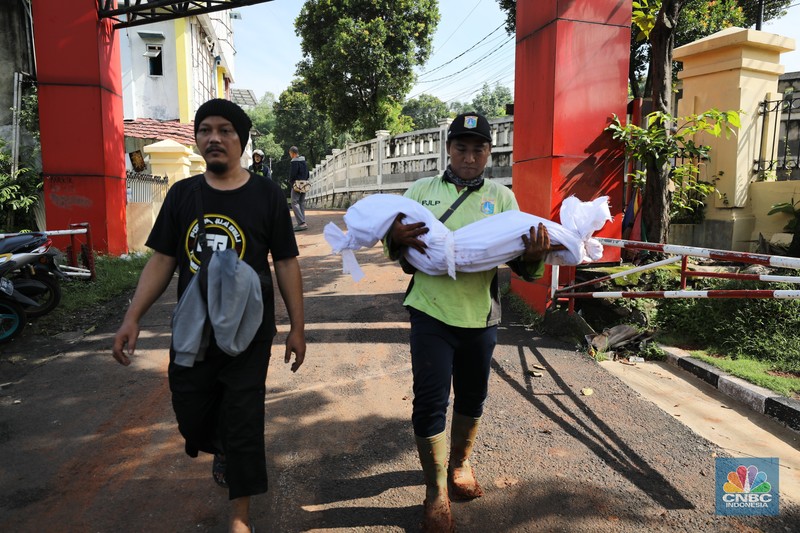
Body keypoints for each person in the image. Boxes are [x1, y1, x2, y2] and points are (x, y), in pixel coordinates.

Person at [111, 98, 306, 533]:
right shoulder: (183, 194)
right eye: (205, 130)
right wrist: (132, 318)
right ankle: (219, 444)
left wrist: (297, 327)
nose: (214, 138)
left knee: (243, 416)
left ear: (241, 140)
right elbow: (163, 259)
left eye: (225, 130)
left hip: (248, 330)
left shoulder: (267, 195)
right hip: (194, 328)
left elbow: (287, 262)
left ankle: (240, 517)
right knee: (192, 414)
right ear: (197, 139)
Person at [385, 112, 560, 532]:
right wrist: (395, 240)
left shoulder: (503, 199)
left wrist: (534, 258)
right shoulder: (419, 191)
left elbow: (521, 264)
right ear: (448, 150)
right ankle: (435, 492)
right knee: (429, 400)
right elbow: (397, 246)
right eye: (461, 147)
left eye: (478, 148)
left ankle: (460, 464)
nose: (469, 156)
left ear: (489, 152)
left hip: (480, 315)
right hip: (430, 310)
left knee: (472, 396)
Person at [288, 146, 309, 231]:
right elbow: (307, 174)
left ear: (292, 153)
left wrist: (291, 182)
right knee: (301, 203)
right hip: (304, 184)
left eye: (290, 154)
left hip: (297, 184)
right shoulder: (303, 161)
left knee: (294, 202)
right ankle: (303, 222)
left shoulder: (294, 162)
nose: (290, 155)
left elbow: (292, 175)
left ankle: (301, 223)